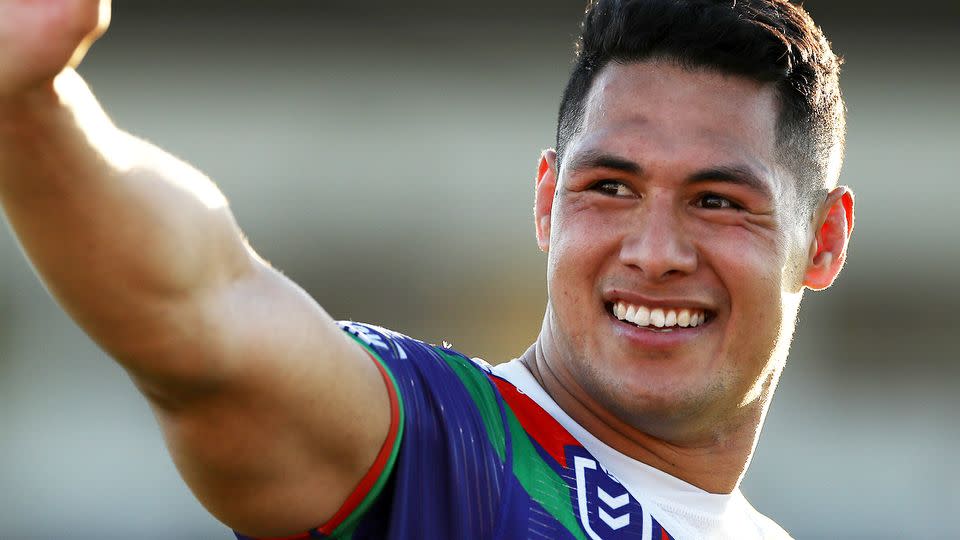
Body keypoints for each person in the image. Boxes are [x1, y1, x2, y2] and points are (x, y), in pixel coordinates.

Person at [0, 0, 854, 538]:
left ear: (822, 241)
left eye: (716, 201)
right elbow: (212, 317)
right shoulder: (444, 441)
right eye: (610, 186)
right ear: (546, 199)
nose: (654, 252)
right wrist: (31, 104)